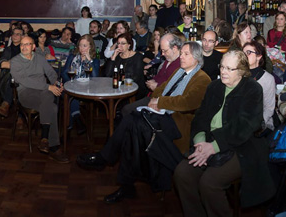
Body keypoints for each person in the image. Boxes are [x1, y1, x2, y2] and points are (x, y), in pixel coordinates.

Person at [77, 40, 211, 203]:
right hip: (161, 115)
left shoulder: (202, 79)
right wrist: (154, 100)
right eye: (181, 53)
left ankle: (105, 159)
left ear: (196, 58)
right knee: (132, 128)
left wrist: (160, 103)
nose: (181, 57)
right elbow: (161, 89)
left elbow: (187, 102)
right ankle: (124, 183)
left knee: (132, 122)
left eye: (185, 54)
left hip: (177, 123)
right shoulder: (179, 71)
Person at [174, 50, 274, 216]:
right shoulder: (214, 86)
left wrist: (213, 147)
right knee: (182, 174)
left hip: (242, 146)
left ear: (242, 71)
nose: (223, 72)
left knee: (209, 183)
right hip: (207, 141)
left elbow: (246, 126)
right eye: (222, 67)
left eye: (229, 68)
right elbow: (201, 117)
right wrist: (200, 141)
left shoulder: (253, 89)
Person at [10, 36, 68, 163]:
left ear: (33, 47)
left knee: (52, 106)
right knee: (50, 100)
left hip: (43, 92)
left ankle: (46, 141)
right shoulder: (15, 61)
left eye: (27, 44)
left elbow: (51, 73)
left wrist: (57, 83)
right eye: (22, 45)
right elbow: (25, 81)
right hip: (26, 94)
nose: (24, 47)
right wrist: (49, 87)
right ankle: (53, 145)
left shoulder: (40, 59)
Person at [60, 35, 101, 133]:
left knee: (70, 97)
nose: (82, 48)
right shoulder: (72, 56)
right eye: (80, 45)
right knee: (68, 95)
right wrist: (70, 83)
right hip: (71, 85)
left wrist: (89, 60)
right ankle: (77, 118)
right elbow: (64, 72)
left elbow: (95, 78)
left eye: (85, 46)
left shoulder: (95, 59)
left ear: (90, 46)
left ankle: (68, 128)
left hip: (87, 88)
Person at [243, 42, 276, 130]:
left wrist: (256, 124)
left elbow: (269, 109)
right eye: (243, 53)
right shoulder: (238, 75)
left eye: (248, 52)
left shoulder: (268, 79)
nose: (245, 56)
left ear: (259, 56)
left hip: (261, 123)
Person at [106, 33, 147, 98]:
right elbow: (108, 74)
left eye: (123, 43)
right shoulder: (117, 56)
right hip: (119, 88)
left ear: (129, 45)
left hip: (134, 89)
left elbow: (137, 77)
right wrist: (113, 57)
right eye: (118, 43)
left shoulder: (137, 56)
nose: (120, 46)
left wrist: (120, 80)